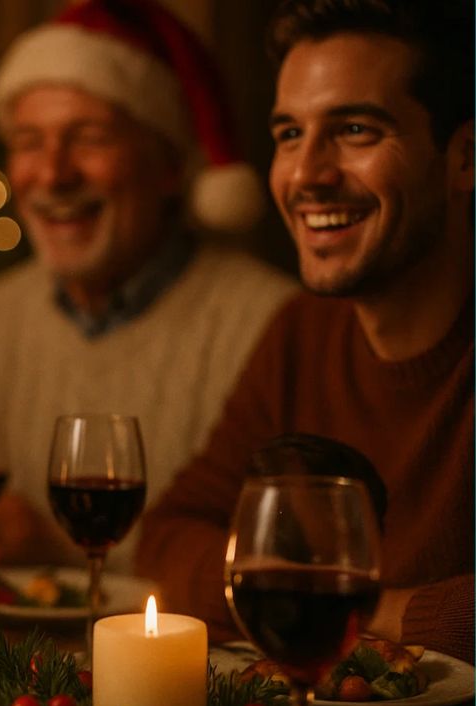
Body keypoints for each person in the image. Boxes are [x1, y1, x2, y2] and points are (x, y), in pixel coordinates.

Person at [136, 0, 473, 662]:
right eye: (290, 134)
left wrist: (348, 606)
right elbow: (169, 537)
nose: (308, 175)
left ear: (465, 159)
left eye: (354, 129)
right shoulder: (302, 331)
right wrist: (340, 600)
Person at [0, 0, 297, 571]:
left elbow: (288, 561)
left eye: (89, 137)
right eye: (28, 142)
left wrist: (56, 551)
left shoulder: (272, 324)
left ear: (170, 167)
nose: (52, 174)